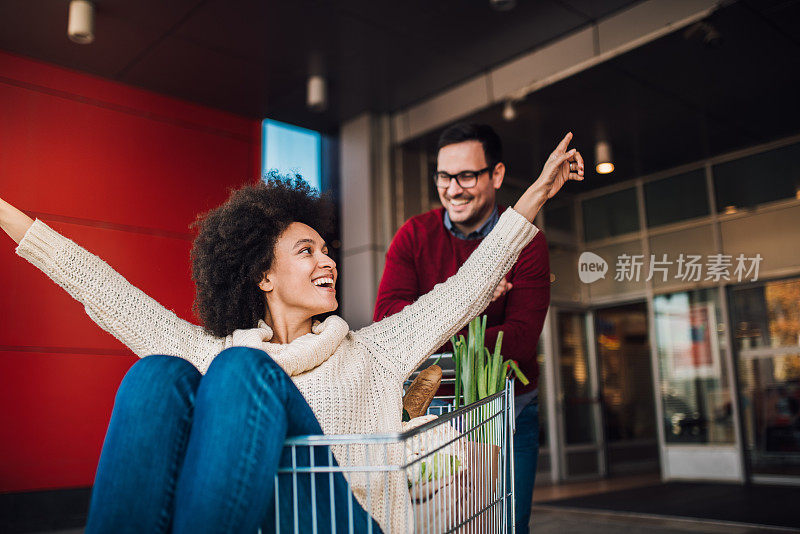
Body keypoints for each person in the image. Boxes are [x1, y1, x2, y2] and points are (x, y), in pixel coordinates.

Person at [0, 134, 583, 534]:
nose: (327, 261)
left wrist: (534, 195)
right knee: (158, 372)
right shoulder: (219, 352)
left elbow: (470, 287)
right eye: (307, 251)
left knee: (239, 371)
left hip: (351, 523)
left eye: (327, 249)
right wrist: (7, 215)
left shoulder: (374, 351)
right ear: (262, 276)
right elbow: (105, 293)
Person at [374, 123, 553, 533]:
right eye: (443, 176)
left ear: (497, 175)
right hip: (428, 411)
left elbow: (521, 343)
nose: (453, 188)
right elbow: (388, 322)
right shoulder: (413, 236)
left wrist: (429, 329)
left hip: (509, 408)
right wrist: (472, 302)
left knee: (505, 524)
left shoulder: (527, 243)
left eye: (467, 176)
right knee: (435, 527)